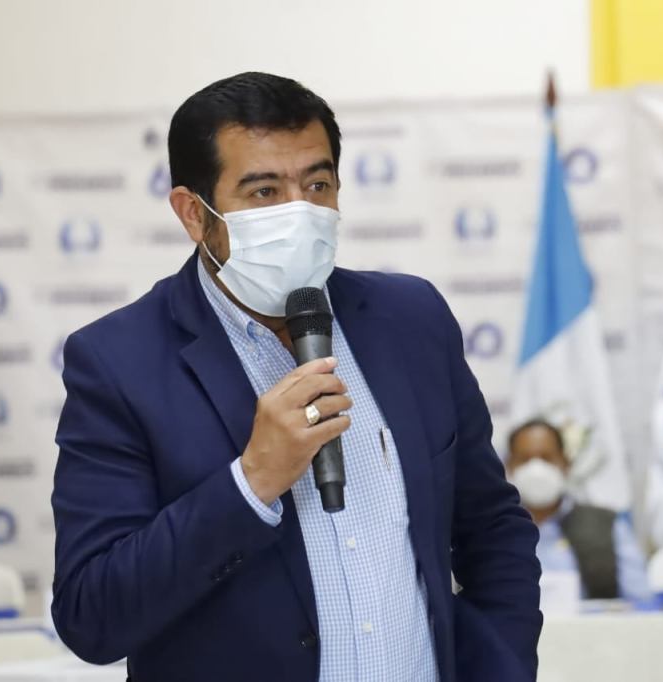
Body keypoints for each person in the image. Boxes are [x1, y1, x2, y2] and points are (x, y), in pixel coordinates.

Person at [50, 72, 542, 682]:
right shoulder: (117, 362)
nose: (300, 212)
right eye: (263, 192)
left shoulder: (411, 320)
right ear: (193, 213)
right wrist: (252, 481)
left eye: (317, 184)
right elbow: (91, 616)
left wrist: (503, 668)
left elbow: (491, 528)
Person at [506, 419, 649, 601]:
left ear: (566, 464)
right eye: (525, 459)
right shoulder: (491, 530)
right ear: (509, 466)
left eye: (546, 458)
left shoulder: (607, 525)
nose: (536, 469)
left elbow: (641, 601)